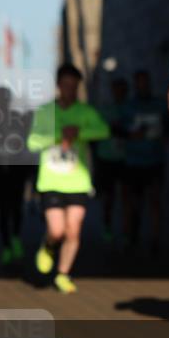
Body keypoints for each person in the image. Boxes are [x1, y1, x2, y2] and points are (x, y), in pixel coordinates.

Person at [27, 63, 110, 293]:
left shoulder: (85, 112)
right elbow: (32, 141)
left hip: (78, 181)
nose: (69, 90)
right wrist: (58, 135)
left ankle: (63, 273)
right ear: (58, 86)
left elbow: (104, 130)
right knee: (57, 230)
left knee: (73, 230)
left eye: (74, 86)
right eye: (65, 85)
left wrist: (79, 133)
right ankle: (48, 246)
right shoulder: (45, 112)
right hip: (51, 181)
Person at [0, 86, 31, 266]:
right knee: (2, 210)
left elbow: (27, 140)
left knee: (17, 206)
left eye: (5, 98)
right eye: (0, 98)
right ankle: (6, 245)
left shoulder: (18, 118)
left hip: (17, 169)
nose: (3, 101)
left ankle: (16, 237)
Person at [123, 69, 169, 248]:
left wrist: (164, 137)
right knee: (134, 203)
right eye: (139, 82)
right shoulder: (129, 106)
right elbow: (119, 129)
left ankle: (155, 239)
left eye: (145, 81)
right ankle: (132, 235)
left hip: (155, 160)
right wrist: (131, 134)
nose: (142, 85)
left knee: (155, 201)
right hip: (133, 161)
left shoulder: (159, 104)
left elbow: (168, 124)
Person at [93, 77, 129, 243]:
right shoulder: (105, 110)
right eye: (116, 89)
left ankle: (126, 230)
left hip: (126, 160)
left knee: (125, 196)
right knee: (109, 197)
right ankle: (107, 225)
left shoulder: (130, 108)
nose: (119, 93)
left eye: (122, 89)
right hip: (106, 159)